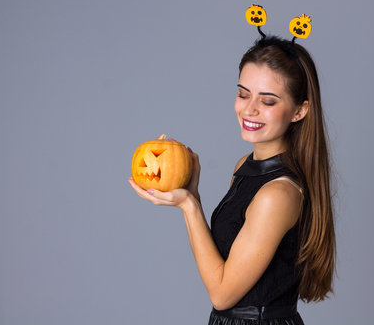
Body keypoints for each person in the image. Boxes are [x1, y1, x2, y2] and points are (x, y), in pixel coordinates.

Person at [128, 35, 335, 324]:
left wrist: (189, 207)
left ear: (299, 111)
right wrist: (194, 194)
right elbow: (226, 261)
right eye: (243, 93)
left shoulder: (278, 194)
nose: (249, 109)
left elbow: (223, 294)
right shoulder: (245, 167)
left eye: (268, 101)